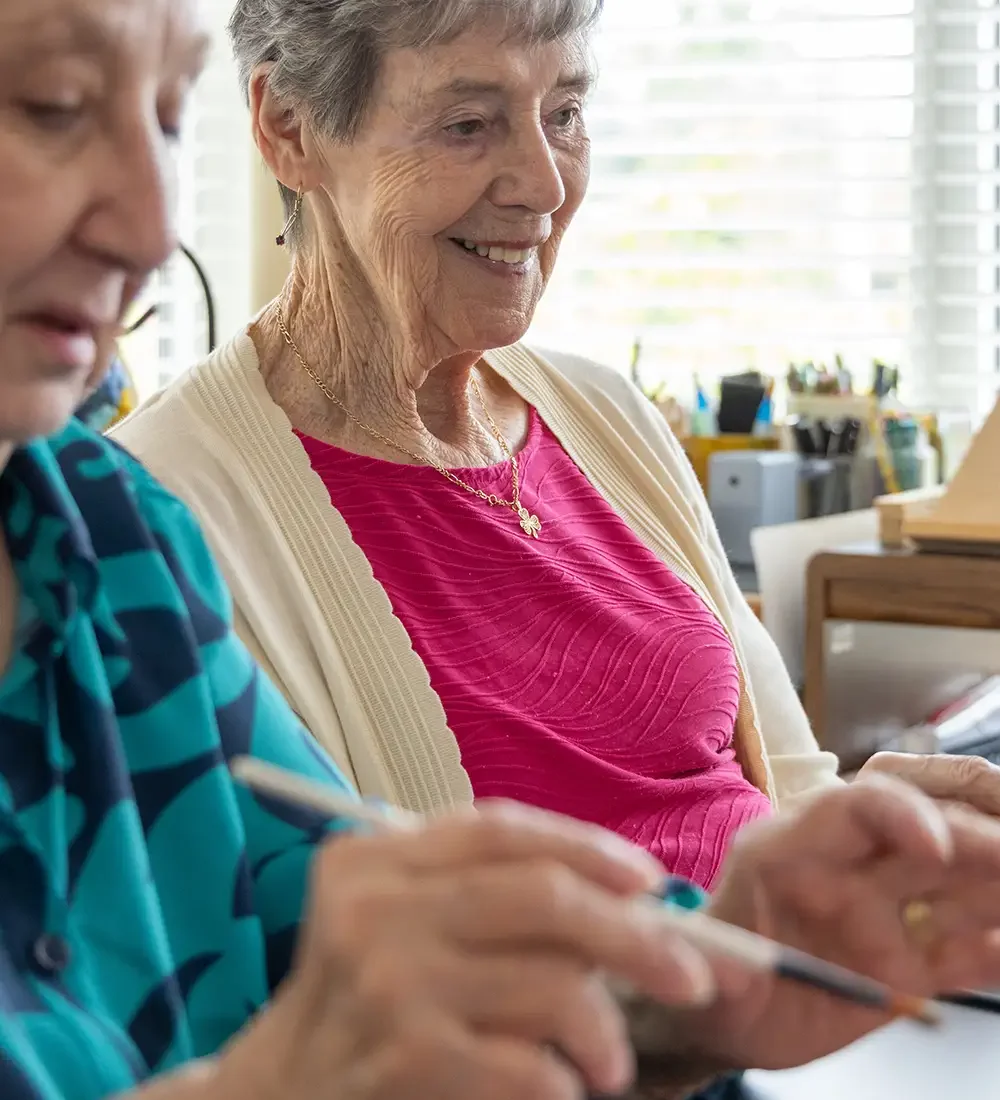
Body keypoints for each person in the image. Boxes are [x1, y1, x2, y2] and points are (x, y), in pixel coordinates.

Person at [8, 4, 1000, 1100]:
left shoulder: (97, 533)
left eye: (566, 111)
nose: (543, 180)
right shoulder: (166, 499)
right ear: (287, 128)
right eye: (469, 123)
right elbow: (352, 1006)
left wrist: (818, 896)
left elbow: (781, 797)